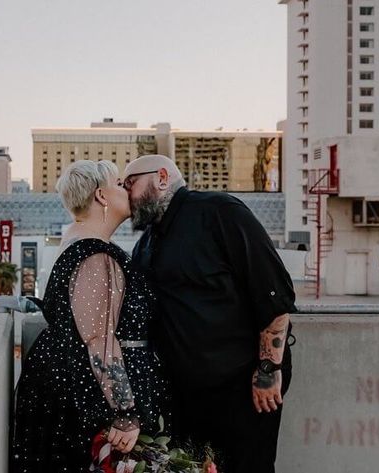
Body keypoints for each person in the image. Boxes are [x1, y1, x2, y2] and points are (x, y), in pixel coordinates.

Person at [124, 154, 296, 473]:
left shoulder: (220, 212)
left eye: (130, 183)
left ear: (162, 177)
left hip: (243, 387)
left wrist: (267, 369)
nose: (125, 194)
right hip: (185, 396)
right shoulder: (145, 243)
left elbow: (273, 292)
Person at [12, 160, 169, 472]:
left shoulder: (78, 241)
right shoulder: (95, 255)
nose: (127, 189)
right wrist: (125, 413)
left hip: (72, 389)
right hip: (88, 399)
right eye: (119, 184)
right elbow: (99, 339)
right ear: (101, 195)